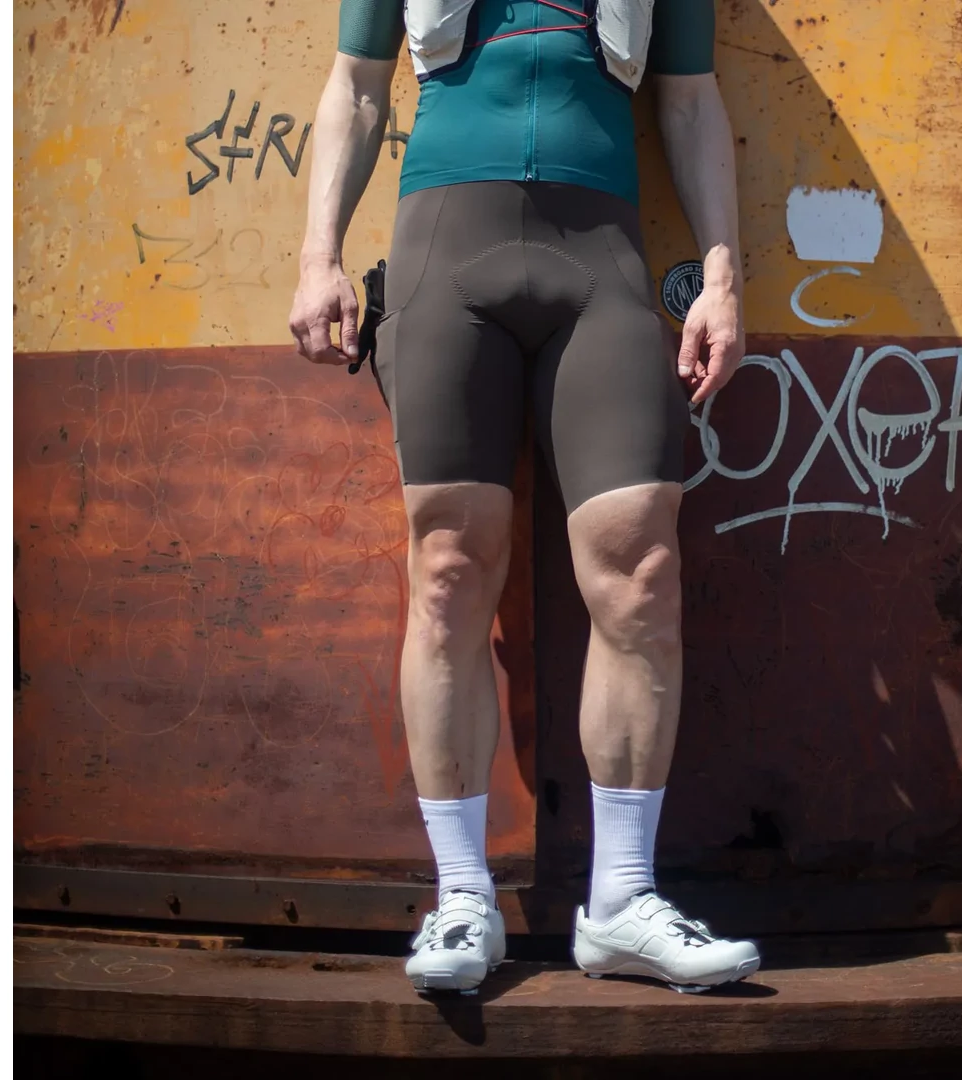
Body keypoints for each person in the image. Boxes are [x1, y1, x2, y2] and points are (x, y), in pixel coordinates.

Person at [288, 0, 755, 995]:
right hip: (444, 253)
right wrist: (318, 256)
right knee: (449, 572)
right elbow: (357, 85)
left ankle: (622, 902)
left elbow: (690, 99)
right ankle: (463, 898)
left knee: (642, 568)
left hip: (603, 258)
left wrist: (722, 278)